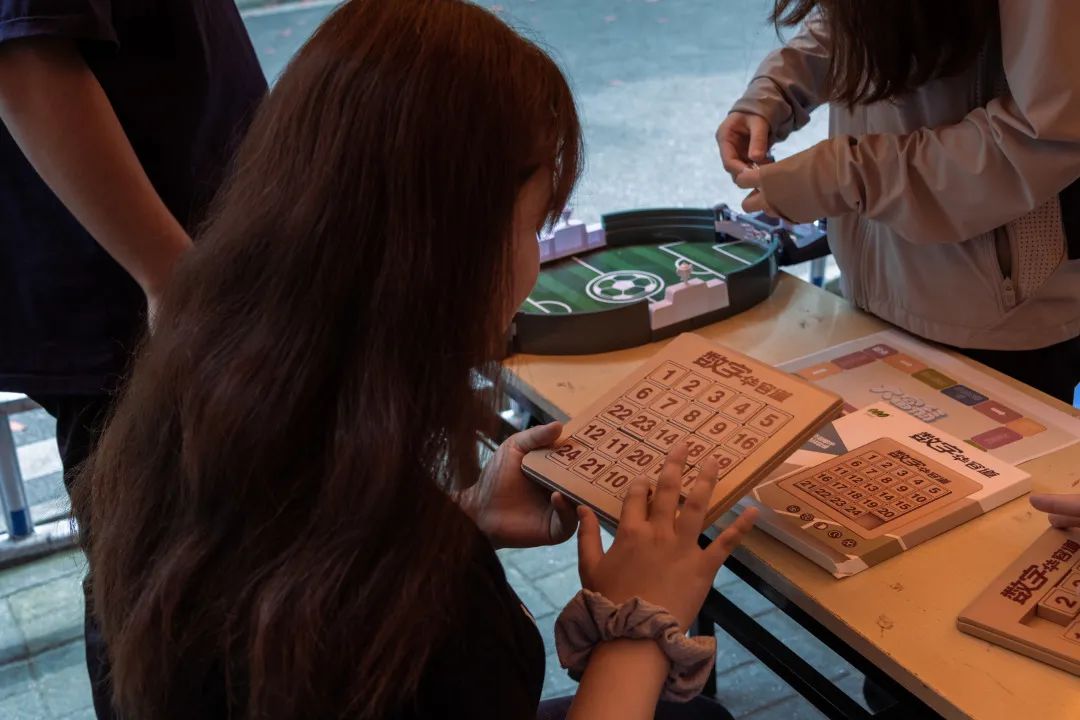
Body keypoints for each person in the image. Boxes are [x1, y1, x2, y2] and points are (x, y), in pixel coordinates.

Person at [72, 2, 757, 718]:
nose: (532, 264)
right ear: (450, 256)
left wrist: (463, 517)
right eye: (533, 226)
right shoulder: (416, 606)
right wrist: (636, 626)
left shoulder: (203, 398)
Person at [0, 2, 266, 716]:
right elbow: (26, 58)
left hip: (190, 286)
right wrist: (172, 281)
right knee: (169, 583)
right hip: (148, 317)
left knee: (206, 566)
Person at [717, 0, 1080, 404]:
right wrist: (777, 87)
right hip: (879, 286)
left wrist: (845, 176)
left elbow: (1045, 137)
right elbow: (864, 19)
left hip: (998, 324)